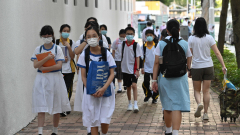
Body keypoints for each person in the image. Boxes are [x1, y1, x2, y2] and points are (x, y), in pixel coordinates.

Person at [152, 19, 192, 135]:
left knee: (167, 104)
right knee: (177, 106)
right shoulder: (184, 43)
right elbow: (189, 63)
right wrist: (188, 70)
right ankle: (175, 132)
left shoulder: (161, 44)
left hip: (165, 77)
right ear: (179, 30)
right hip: (180, 78)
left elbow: (156, 63)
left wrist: (154, 80)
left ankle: (168, 131)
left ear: (167, 30)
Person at [30, 25, 71, 135]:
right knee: (41, 105)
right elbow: (35, 65)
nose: (46, 36)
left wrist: (44, 68)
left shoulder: (57, 48)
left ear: (52, 35)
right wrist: (47, 58)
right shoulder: (38, 49)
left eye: (48, 34)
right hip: (41, 79)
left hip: (55, 78)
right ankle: (40, 132)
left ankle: (55, 130)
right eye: (44, 35)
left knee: (56, 105)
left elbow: (58, 66)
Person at [77, 26, 116, 135]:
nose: (91, 38)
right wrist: (90, 89)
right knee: (93, 120)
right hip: (91, 92)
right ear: (86, 39)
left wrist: (103, 89)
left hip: (106, 91)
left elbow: (112, 74)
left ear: (99, 37)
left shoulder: (106, 53)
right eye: (88, 37)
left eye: (94, 36)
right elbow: (83, 76)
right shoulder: (84, 55)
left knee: (104, 119)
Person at [188, 17, 226, 120]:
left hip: (196, 67)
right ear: (205, 26)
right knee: (206, 91)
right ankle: (205, 113)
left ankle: (199, 103)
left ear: (195, 26)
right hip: (208, 66)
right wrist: (223, 65)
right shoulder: (209, 38)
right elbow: (217, 53)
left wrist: (188, 68)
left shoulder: (191, 38)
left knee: (196, 90)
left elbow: (189, 55)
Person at [55, 24, 76, 117]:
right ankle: (60, 107)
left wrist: (69, 47)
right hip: (59, 70)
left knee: (68, 89)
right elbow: (53, 56)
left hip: (70, 70)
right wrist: (62, 58)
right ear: (60, 32)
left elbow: (73, 56)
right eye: (64, 31)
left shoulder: (71, 42)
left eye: (68, 31)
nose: (66, 33)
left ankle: (65, 108)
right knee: (59, 89)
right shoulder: (56, 42)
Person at [121, 27, 142, 112]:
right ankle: (130, 103)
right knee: (128, 86)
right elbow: (120, 57)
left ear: (134, 35)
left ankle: (136, 104)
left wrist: (137, 69)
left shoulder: (136, 45)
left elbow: (138, 57)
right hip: (125, 69)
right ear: (125, 35)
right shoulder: (122, 44)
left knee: (134, 85)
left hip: (133, 69)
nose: (129, 35)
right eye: (128, 34)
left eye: (131, 34)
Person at [141, 29, 159, 104]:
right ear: (145, 37)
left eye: (150, 35)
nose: (149, 37)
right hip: (146, 68)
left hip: (155, 69)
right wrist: (142, 67)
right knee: (145, 83)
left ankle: (155, 97)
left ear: (154, 36)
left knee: (156, 83)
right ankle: (148, 94)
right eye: (147, 36)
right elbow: (141, 58)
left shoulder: (157, 46)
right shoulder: (143, 47)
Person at [112, 29, 126, 93]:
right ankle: (120, 88)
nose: (123, 37)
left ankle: (125, 84)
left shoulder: (126, 41)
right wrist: (113, 59)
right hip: (118, 59)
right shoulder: (116, 41)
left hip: (125, 60)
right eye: (122, 36)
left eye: (124, 36)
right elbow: (113, 50)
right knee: (119, 74)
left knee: (125, 73)